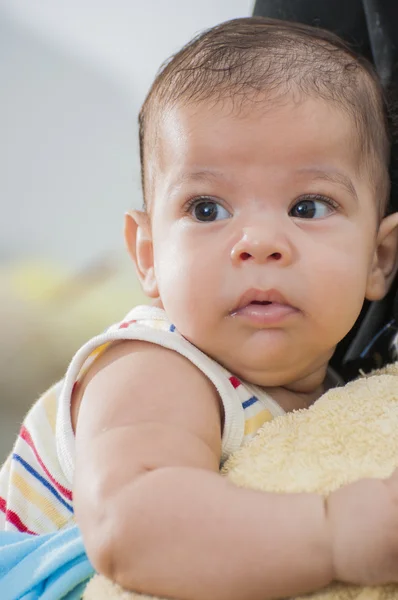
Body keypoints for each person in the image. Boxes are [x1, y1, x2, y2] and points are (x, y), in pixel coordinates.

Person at [2, 16, 398, 600]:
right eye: (208, 209)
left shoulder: (345, 391)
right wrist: (337, 532)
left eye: (309, 206)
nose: (259, 242)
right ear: (149, 257)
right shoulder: (154, 365)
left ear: (379, 259)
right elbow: (131, 528)